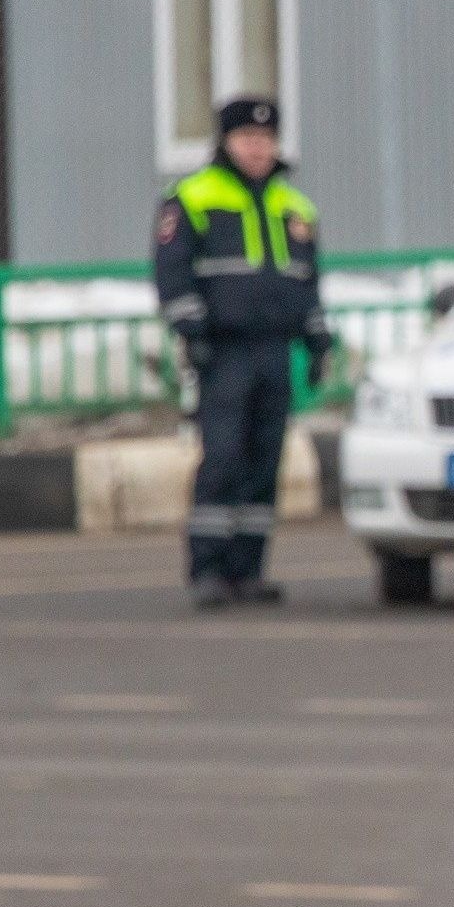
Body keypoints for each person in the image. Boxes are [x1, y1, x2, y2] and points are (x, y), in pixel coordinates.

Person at [154, 97, 330, 609]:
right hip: (224, 352)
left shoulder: (295, 207)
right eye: (247, 139)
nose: (257, 148)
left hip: (275, 351)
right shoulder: (192, 197)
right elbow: (172, 272)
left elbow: (308, 284)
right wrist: (191, 330)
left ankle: (249, 569)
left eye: (266, 139)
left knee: (263, 461)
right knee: (224, 458)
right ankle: (207, 569)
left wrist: (317, 340)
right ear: (226, 142)